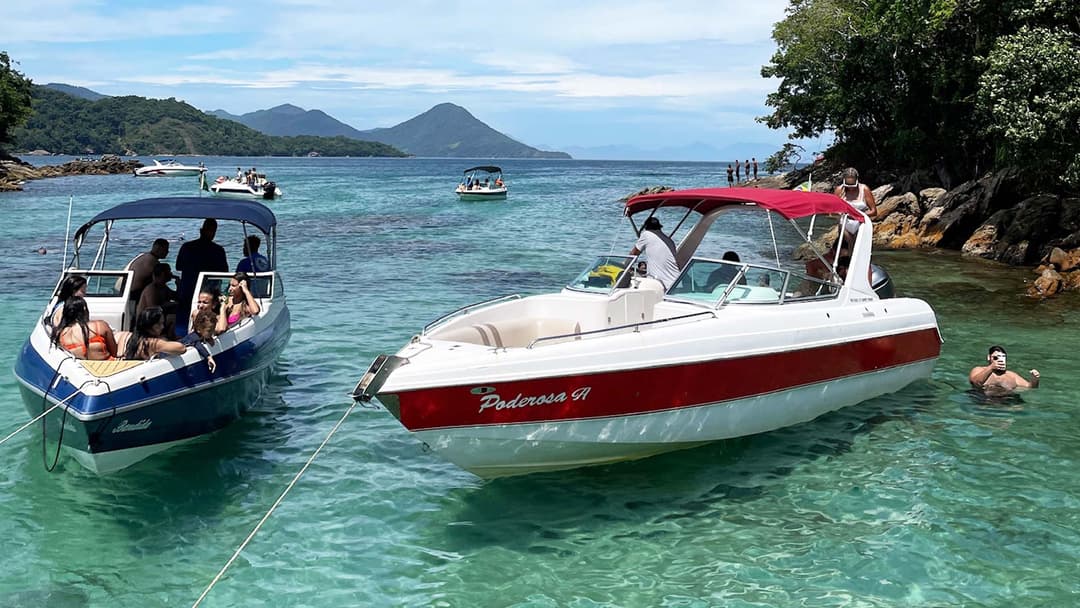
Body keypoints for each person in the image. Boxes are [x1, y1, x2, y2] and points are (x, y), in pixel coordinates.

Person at [175, 218, 228, 333]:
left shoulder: (187, 247)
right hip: (208, 291)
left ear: (201, 230)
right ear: (214, 233)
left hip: (188, 288)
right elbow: (224, 271)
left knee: (184, 318)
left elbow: (178, 266)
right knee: (206, 318)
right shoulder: (218, 250)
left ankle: (181, 335)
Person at [51, 297, 119, 360]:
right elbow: (114, 352)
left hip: (81, 368)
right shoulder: (99, 326)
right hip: (106, 366)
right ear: (84, 309)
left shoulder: (61, 335)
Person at [629, 217, 681, 290]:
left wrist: (625, 266)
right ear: (659, 227)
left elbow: (633, 254)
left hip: (662, 284)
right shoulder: (669, 240)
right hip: (677, 282)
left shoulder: (647, 234)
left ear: (646, 227)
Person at [118, 307, 187, 360]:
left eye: (162, 323)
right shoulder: (153, 343)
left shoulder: (133, 338)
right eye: (159, 324)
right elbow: (181, 348)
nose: (162, 327)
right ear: (148, 325)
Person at [833, 167, 878, 249]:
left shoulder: (864, 189)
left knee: (860, 248)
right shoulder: (839, 190)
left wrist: (856, 215)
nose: (850, 188)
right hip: (844, 223)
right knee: (848, 245)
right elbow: (833, 211)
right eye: (848, 185)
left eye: (853, 185)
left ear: (857, 180)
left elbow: (874, 211)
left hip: (861, 223)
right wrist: (841, 213)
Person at [969, 346, 1040, 394]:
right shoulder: (978, 370)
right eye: (996, 357)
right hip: (982, 397)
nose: (1000, 360)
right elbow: (977, 382)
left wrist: (1035, 379)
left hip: (1006, 400)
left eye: (1003, 357)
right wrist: (991, 367)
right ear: (989, 357)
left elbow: (1030, 387)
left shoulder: (1011, 375)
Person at [126, 238, 169, 307]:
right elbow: (160, 280)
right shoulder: (152, 261)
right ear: (159, 249)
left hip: (128, 292)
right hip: (135, 294)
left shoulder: (144, 256)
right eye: (166, 249)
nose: (167, 252)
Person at [136, 262, 179, 334]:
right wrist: (169, 304)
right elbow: (152, 309)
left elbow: (176, 297)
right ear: (163, 274)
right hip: (146, 322)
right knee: (173, 318)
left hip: (158, 319)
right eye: (169, 271)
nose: (171, 274)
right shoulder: (152, 289)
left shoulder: (163, 287)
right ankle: (170, 338)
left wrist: (178, 284)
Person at [180, 308, 222, 374]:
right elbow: (198, 346)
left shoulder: (200, 334)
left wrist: (209, 338)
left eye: (213, 329)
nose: (212, 332)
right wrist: (209, 357)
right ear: (198, 329)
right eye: (209, 331)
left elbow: (204, 336)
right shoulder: (194, 337)